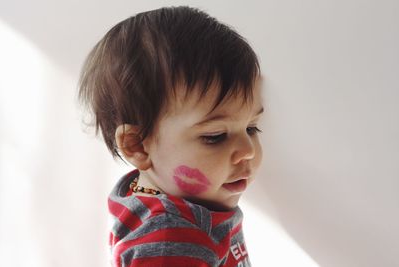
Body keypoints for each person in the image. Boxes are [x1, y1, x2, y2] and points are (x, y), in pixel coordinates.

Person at [78, 6, 264, 267]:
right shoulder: (171, 242)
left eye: (252, 128)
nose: (249, 150)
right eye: (216, 136)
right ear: (138, 146)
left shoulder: (154, 190)